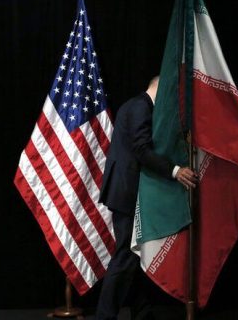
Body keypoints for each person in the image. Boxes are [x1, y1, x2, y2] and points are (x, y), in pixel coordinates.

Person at [96, 75, 198, 320]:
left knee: (134, 254)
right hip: (126, 191)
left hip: (126, 190)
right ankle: (104, 316)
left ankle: (142, 312)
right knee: (125, 256)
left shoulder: (136, 105)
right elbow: (142, 149)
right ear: (159, 90)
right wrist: (175, 171)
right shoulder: (141, 107)